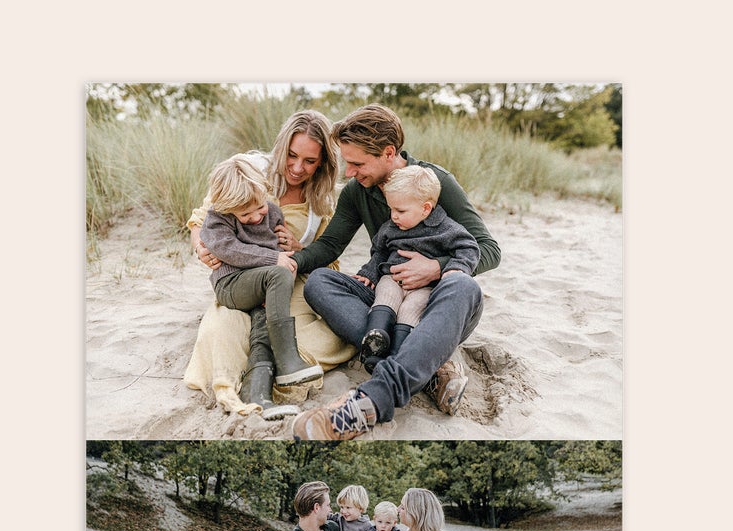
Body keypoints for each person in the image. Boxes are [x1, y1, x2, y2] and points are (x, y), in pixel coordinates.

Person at [291, 104, 502, 441]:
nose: (349, 172)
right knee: (320, 282)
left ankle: (372, 400)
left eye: (358, 163)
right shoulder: (357, 192)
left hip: (436, 305)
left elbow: (488, 250)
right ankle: (428, 367)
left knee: (463, 286)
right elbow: (331, 246)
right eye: (347, 162)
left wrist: (436, 268)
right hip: (387, 298)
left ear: (388, 153)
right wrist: (291, 261)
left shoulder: (435, 182)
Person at [184, 111, 355, 420]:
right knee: (221, 332)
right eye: (291, 155)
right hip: (240, 281)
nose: (297, 168)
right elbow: (202, 219)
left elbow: (329, 258)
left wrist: (300, 248)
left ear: (323, 163)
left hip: (290, 285)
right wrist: (201, 246)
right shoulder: (247, 172)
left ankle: (270, 376)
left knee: (334, 335)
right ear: (280, 148)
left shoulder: (323, 201)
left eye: (309, 161)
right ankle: (247, 382)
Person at [198, 154, 323, 388]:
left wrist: (283, 264)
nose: (255, 217)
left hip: (261, 284)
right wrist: (273, 259)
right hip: (231, 284)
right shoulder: (217, 218)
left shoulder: (274, 213)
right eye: (245, 215)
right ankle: (287, 359)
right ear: (227, 208)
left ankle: (256, 387)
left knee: (262, 326)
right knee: (279, 271)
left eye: (260, 208)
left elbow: (279, 252)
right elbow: (229, 249)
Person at [354, 165, 479, 373]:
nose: (393, 216)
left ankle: (397, 354)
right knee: (385, 294)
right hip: (392, 278)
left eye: (400, 211)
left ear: (425, 208)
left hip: (423, 287)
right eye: (391, 209)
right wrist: (368, 273)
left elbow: (469, 247)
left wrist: (455, 267)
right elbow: (379, 253)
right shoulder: (391, 228)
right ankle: (376, 337)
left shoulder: (445, 229)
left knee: (411, 308)